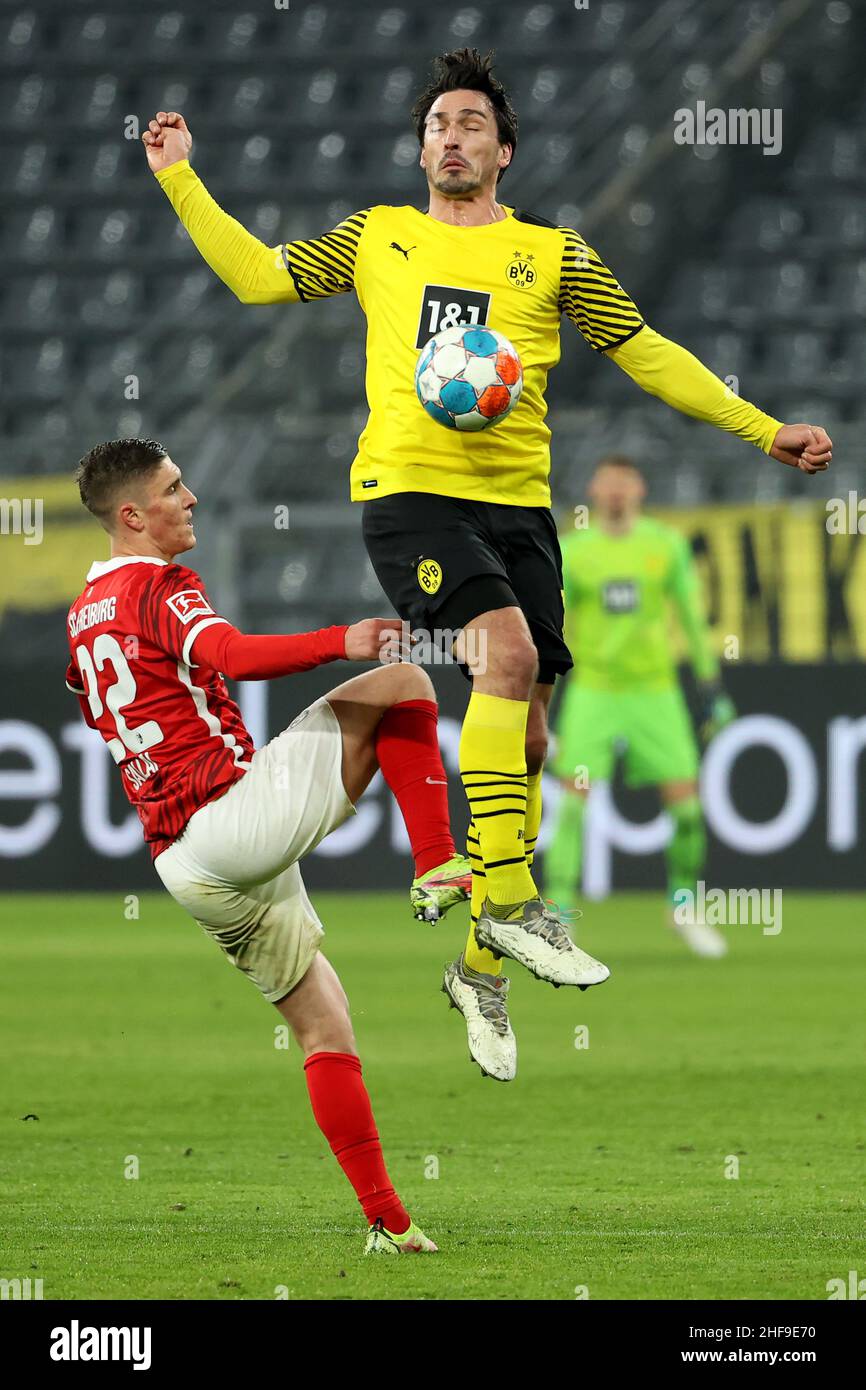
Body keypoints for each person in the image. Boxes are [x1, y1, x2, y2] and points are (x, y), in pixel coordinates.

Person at [142, 47, 831, 1082]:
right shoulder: (381, 236)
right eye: (436, 125)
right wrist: (179, 176)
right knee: (503, 660)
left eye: (469, 124)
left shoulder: (553, 255)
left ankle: (479, 969)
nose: (450, 138)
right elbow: (258, 277)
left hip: (518, 515)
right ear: (420, 148)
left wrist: (758, 425)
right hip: (408, 498)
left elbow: (642, 348)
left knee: (533, 737)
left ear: (503, 151)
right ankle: (509, 899)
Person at [64, 436, 480, 1254]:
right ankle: (437, 864)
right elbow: (233, 655)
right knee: (403, 684)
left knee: (325, 1025)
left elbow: (94, 705)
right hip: (227, 821)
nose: (191, 499)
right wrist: (341, 639)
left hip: (183, 863)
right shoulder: (156, 588)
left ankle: (389, 1224)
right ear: (131, 516)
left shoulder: (82, 615)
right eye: (175, 488)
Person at [545, 456, 736, 956]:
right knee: (572, 809)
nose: (614, 491)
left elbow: (692, 620)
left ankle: (682, 906)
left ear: (639, 488)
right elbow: (554, 629)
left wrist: (711, 689)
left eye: (623, 482)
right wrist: (541, 697)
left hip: (655, 692)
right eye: (606, 482)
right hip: (595, 691)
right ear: (594, 488)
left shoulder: (665, 545)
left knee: (689, 810)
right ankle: (560, 917)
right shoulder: (573, 550)